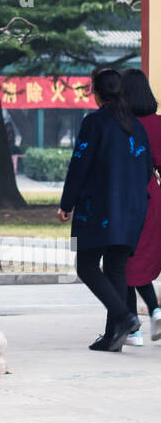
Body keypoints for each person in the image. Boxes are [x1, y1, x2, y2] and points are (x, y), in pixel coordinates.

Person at [58, 67, 152, 353]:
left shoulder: (94, 123)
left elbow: (79, 164)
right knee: (115, 268)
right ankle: (113, 336)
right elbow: (147, 170)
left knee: (86, 266)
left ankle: (124, 317)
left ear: (96, 93)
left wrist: (67, 203)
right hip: (134, 210)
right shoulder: (137, 126)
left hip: (99, 210)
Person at [120, 69, 161, 346]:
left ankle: (132, 327)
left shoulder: (122, 124)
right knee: (141, 257)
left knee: (121, 259)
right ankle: (154, 311)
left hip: (125, 196)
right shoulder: (158, 124)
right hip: (153, 195)